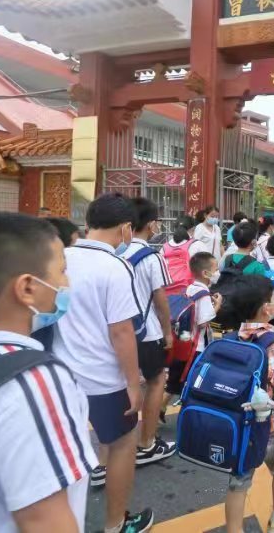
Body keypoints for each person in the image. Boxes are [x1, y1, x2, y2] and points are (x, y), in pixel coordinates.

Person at [0, 212, 97, 532]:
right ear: (28, 288)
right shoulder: (33, 382)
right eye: (62, 270)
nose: (66, 283)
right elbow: (44, 522)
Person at [50, 193, 154, 532]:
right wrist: (133, 384)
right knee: (123, 444)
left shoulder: (60, 257)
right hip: (103, 378)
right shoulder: (115, 266)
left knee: (64, 448)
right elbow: (122, 331)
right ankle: (115, 524)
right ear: (126, 228)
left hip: (59, 375)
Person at [217, 276, 274, 533]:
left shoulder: (230, 338)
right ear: (266, 309)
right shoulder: (273, 341)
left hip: (237, 424)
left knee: (238, 482)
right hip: (272, 424)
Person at [121, 198, 176, 464]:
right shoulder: (152, 257)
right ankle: (147, 443)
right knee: (156, 382)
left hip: (120, 331)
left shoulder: (117, 253)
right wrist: (168, 332)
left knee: (123, 384)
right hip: (148, 332)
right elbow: (160, 299)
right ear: (152, 224)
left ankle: (119, 445)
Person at [162, 252, 222, 412]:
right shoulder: (204, 295)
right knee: (190, 383)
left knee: (174, 382)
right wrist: (217, 306)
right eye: (216, 269)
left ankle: (160, 408)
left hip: (182, 343)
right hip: (195, 347)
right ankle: (184, 413)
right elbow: (203, 322)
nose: (218, 272)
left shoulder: (189, 288)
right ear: (206, 273)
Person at [162, 214, 208, 295]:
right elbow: (208, 268)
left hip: (166, 292)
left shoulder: (164, 247)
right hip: (190, 292)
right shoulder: (198, 245)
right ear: (193, 228)